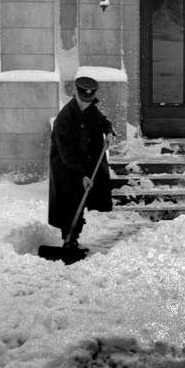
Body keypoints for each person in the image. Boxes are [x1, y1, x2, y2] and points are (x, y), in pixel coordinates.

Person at [48, 75, 114, 257]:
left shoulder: (91, 109)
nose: (86, 104)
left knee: (82, 200)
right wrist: (81, 175)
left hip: (86, 164)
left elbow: (104, 121)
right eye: (83, 100)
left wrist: (108, 132)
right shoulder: (64, 118)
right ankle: (68, 240)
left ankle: (73, 239)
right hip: (66, 168)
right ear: (76, 94)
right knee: (69, 202)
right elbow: (66, 153)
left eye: (89, 100)